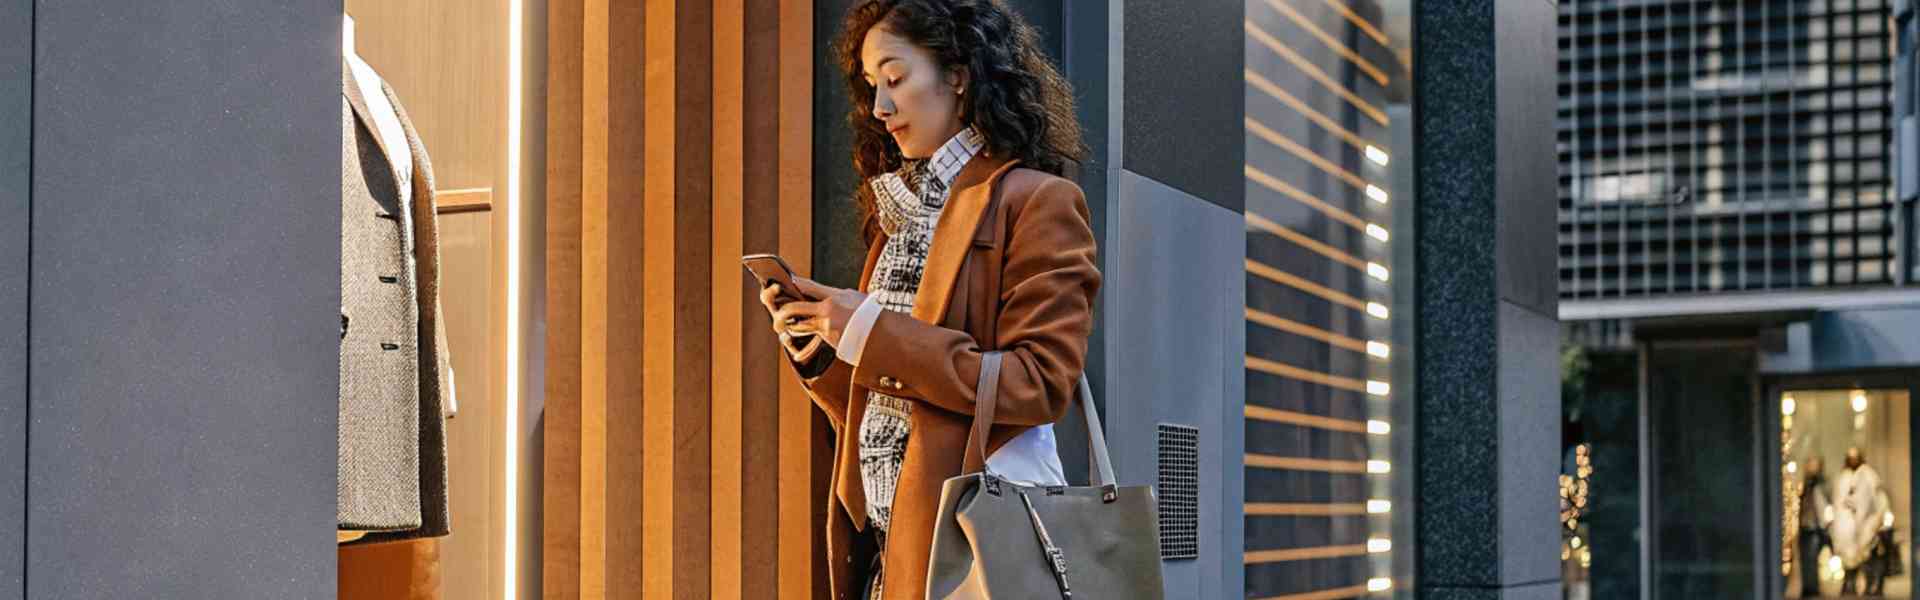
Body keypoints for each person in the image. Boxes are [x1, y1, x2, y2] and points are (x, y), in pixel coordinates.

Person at [756, 2, 1097, 599]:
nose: (881, 108)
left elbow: (1040, 383)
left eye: (895, 78)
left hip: (975, 553)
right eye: (871, 88)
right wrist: (823, 351)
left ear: (958, 76)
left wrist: (870, 331)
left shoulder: (1037, 201)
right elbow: (895, 398)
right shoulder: (902, 215)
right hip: (894, 553)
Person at [1832, 447, 1887, 596]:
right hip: (1847, 526)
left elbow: (1877, 499)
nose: (1853, 461)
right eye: (1850, 458)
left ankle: (1873, 585)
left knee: (1869, 556)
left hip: (1868, 523)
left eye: (1855, 457)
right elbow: (1839, 501)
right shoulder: (1843, 477)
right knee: (1849, 558)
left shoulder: (1868, 475)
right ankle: (1849, 585)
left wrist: (1877, 519)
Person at [1798, 456, 1831, 598]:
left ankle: (1812, 587)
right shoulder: (1806, 484)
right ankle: (1809, 586)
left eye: (1813, 465)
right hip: (1805, 526)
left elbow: (1823, 505)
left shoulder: (1820, 485)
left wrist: (1825, 524)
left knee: (1811, 558)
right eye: (1809, 464)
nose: (1810, 468)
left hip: (1815, 526)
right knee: (1806, 559)